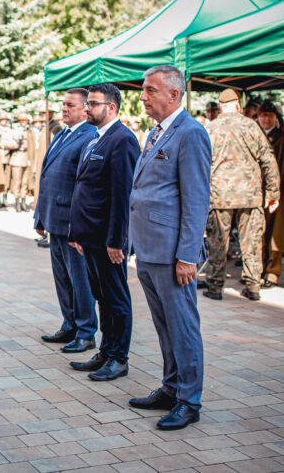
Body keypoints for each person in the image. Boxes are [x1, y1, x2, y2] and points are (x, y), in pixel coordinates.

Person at [129, 65, 212, 430]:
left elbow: (196, 200)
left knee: (183, 327)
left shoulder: (190, 133)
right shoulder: (156, 132)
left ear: (173, 95)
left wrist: (186, 256)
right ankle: (171, 386)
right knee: (165, 327)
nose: (143, 97)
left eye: (150, 90)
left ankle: (189, 401)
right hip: (148, 249)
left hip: (171, 253)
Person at [68, 83, 140, 382]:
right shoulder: (96, 138)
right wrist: (77, 232)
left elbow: (123, 195)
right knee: (101, 296)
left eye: (93, 104)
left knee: (116, 299)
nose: (87, 108)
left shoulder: (122, 140)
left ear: (111, 108)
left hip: (107, 239)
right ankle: (106, 351)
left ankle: (118, 358)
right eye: (87, 104)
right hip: (91, 237)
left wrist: (117, 240)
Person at [34, 89, 98, 353]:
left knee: (79, 278)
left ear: (85, 109)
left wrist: (78, 223)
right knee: (62, 277)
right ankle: (69, 324)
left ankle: (86, 331)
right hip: (53, 218)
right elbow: (47, 176)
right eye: (63, 104)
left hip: (72, 223)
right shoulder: (62, 134)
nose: (64, 109)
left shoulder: (89, 136)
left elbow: (85, 185)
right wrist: (39, 215)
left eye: (70, 105)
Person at [204, 89, 279, 301]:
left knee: (218, 242)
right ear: (238, 104)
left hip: (220, 195)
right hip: (250, 194)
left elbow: (200, 163)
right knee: (252, 242)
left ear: (220, 106)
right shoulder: (251, 126)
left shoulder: (211, 129)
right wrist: (273, 192)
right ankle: (253, 287)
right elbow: (268, 159)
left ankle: (215, 287)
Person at [259, 101, 284, 288]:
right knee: (259, 233)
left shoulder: (281, 138)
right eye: (262, 115)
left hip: (278, 193)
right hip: (257, 193)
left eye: (269, 115)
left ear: (276, 118)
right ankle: (258, 270)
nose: (266, 119)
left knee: (276, 235)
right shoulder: (255, 136)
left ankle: (272, 273)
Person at [2, 113, 36, 212]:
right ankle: (17, 202)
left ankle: (23, 201)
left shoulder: (30, 132)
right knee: (17, 181)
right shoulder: (14, 131)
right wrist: (16, 144)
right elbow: (6, 143)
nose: (24, 123)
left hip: (26, 158)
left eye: (25, 121)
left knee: (25, 182)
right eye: (22, 121)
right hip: (17, 157)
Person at [0, 112, 13, 209]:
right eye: (2, 120)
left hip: (7, 156)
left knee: (7, 178)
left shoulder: (10, 130)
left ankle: (4, 198)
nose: (3, 121)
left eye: (5, 120)